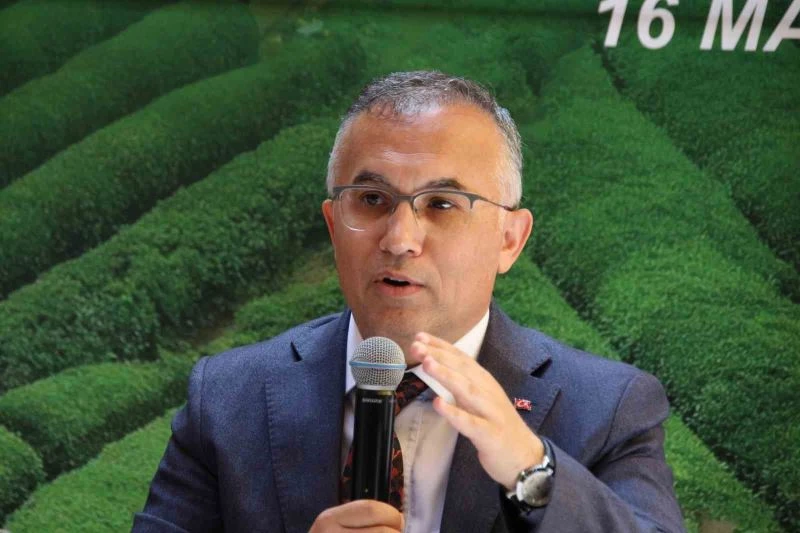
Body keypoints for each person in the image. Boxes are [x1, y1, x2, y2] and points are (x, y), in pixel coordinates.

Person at [133, 71, 685, 532]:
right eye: (372, 199)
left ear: (509, 240)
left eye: (442, 204)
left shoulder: (609, 408)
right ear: (333, 225)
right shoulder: (228, 399)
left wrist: (532, 470)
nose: (400, 239)